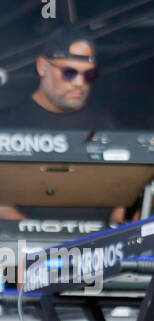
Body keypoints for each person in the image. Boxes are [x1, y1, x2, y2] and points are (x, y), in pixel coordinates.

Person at [0, 27, 126, 225]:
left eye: (89, 75)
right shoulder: (7, 123)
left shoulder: (105, 127)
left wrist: (118, 228)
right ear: (43, 67)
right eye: (69, 73)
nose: (79, 83)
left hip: (96, 250)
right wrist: (28, 232)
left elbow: (128, 190)